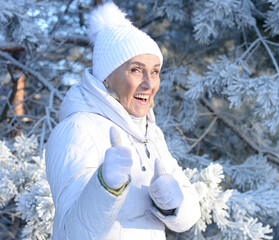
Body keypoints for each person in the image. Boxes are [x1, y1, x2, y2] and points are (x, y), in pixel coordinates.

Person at [45, 2, 201, 239]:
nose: (149, 83)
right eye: (136, 70)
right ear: (106, 77)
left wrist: (172, 204)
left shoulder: (150, 133)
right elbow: (71, 232)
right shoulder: (77, 129)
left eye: (155, 71)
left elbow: (190, 215)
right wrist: (105, 187)